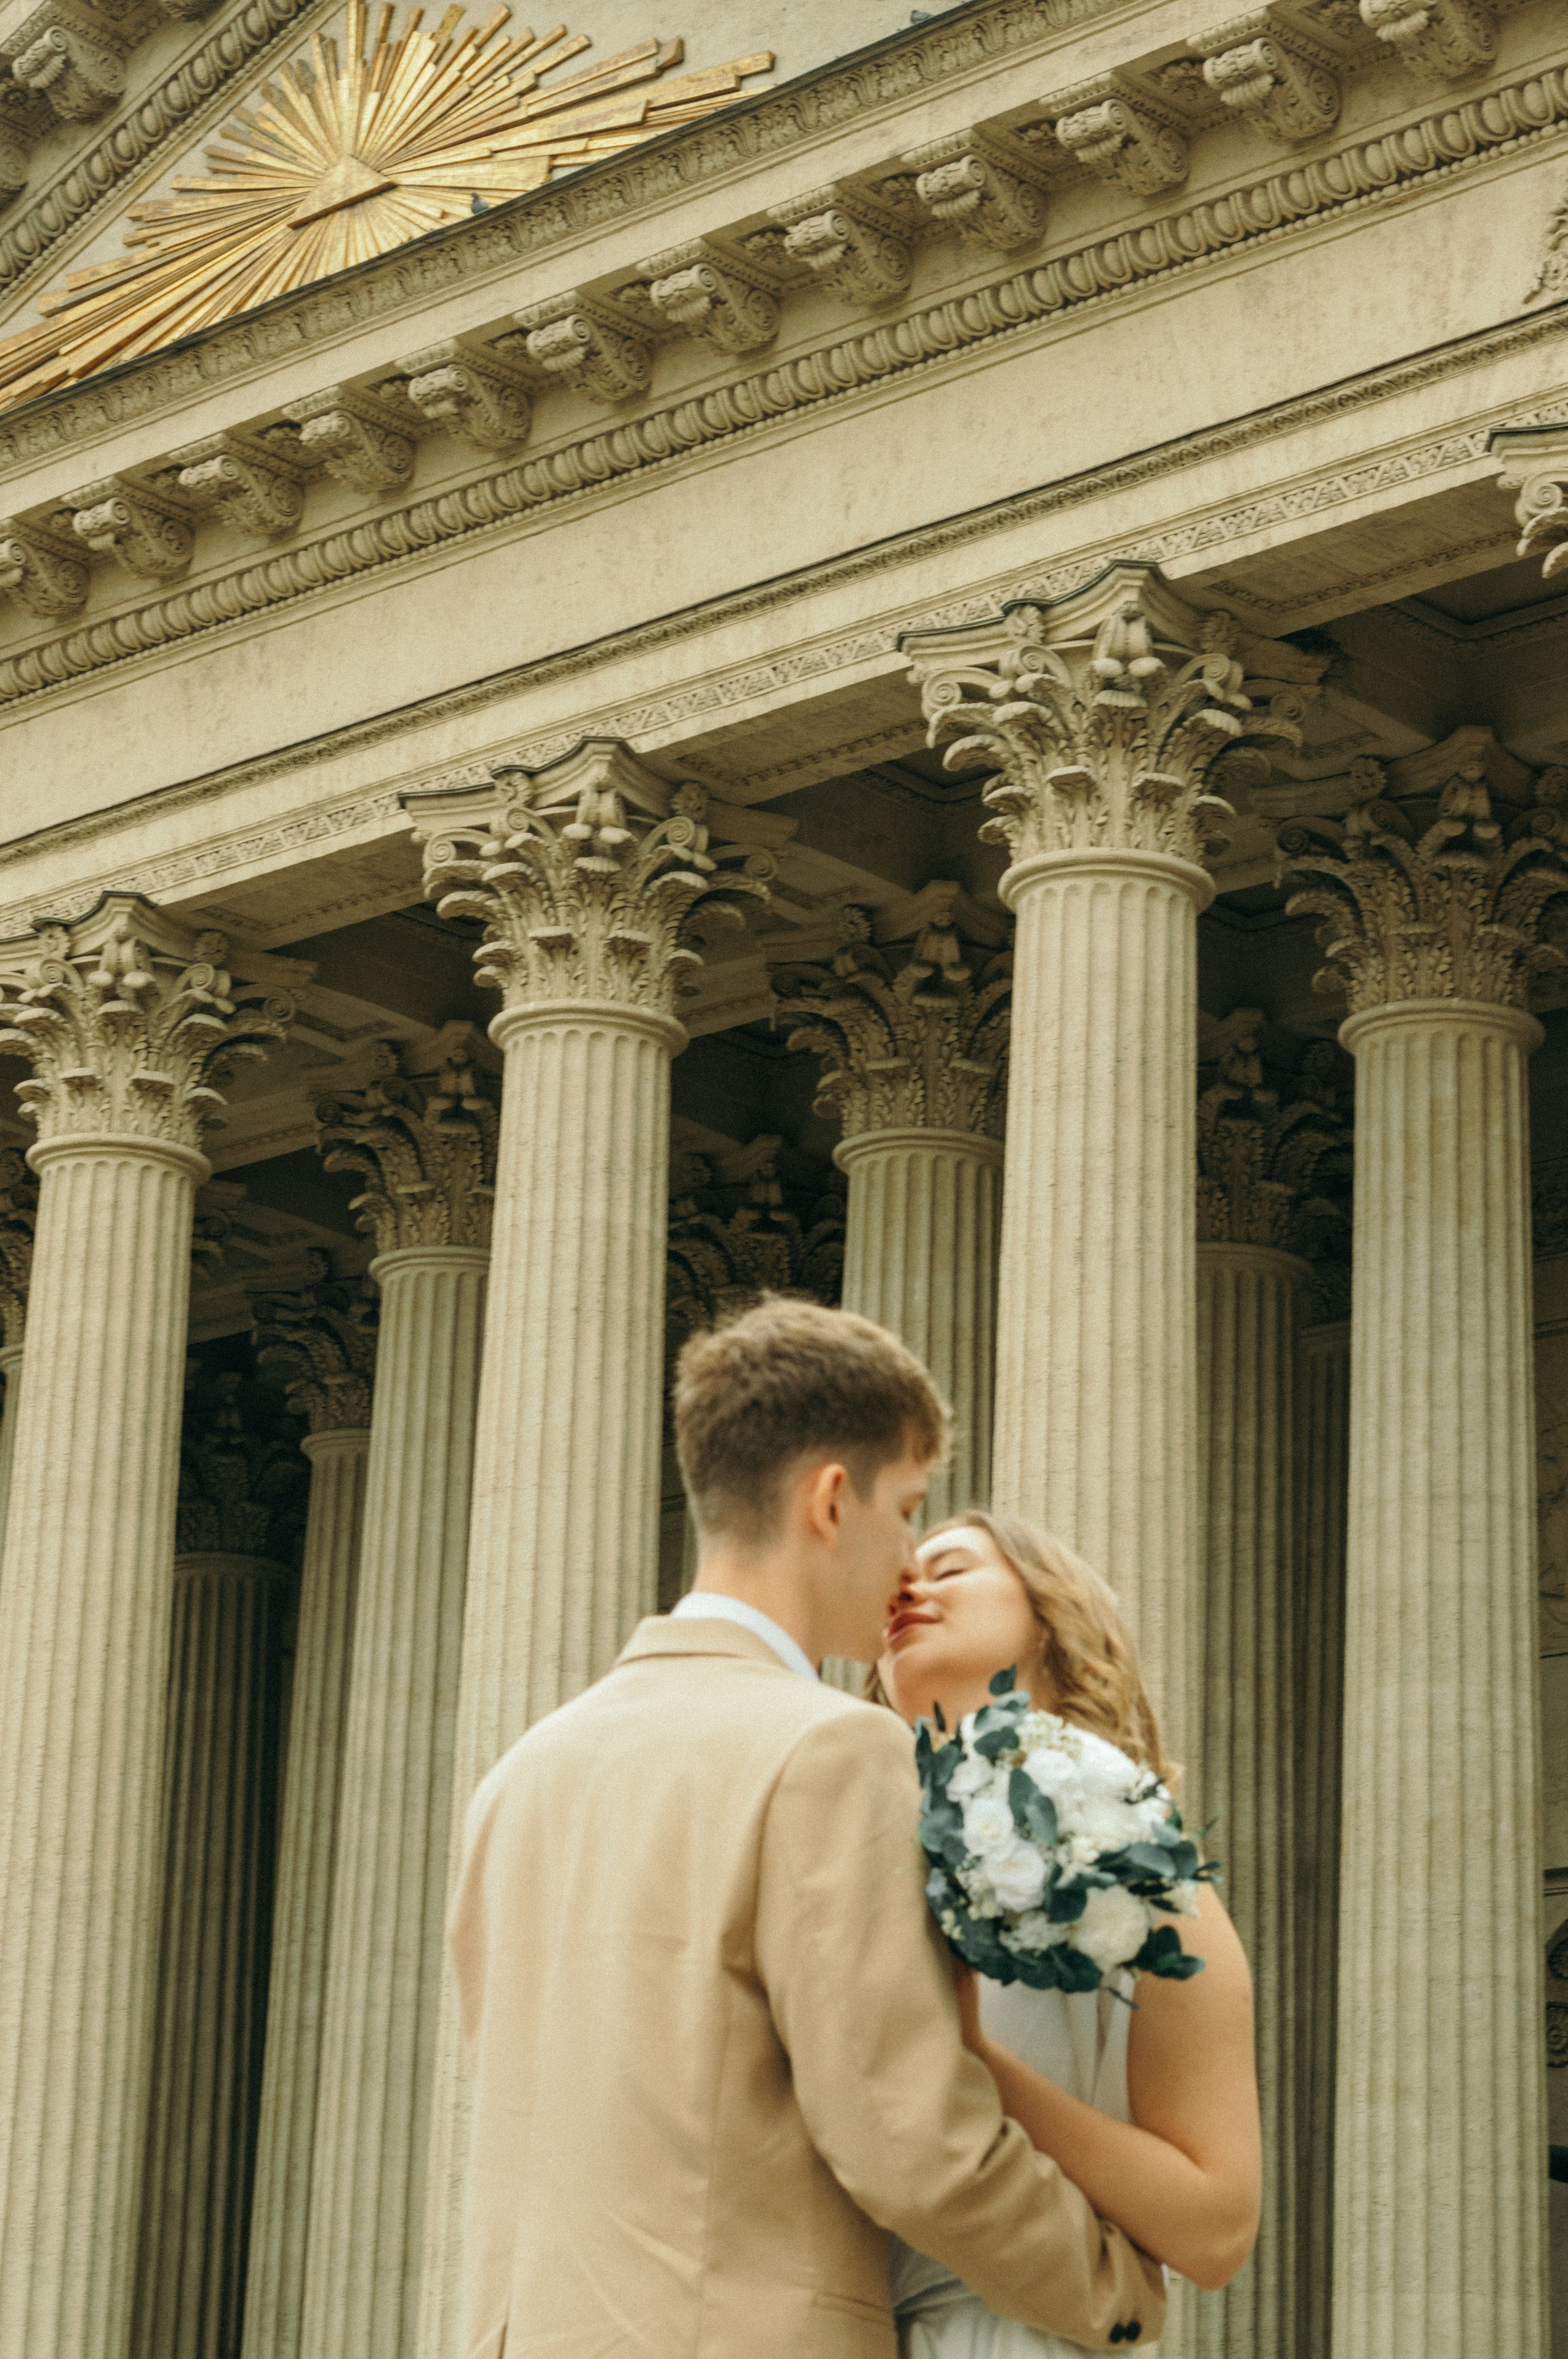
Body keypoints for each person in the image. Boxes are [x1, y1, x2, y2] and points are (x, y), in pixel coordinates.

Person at [447, 1298, 1166, 2359]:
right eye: (908, 1510)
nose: (912, 1558)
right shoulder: (833, 1750)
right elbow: (911, 2142)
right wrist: (1116, 2291)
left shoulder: (518, 1778)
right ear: (832, 1501)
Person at [875, 1512, 1262, 2358]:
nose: (907, 1588)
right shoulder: (854, 1840)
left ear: (1049, 1617)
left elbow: (1217, 2228)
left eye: (950, 1569)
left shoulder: (1147, 1862)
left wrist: (976, 2068)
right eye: (897, 1580)